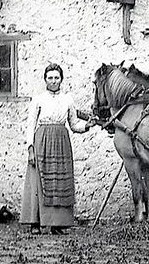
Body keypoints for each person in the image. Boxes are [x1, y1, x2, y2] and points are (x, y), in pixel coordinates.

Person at [21, 63, 95, 235]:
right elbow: (30, 124)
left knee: (59, 182)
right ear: (45, 80)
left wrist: (87, 126)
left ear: (61, 79)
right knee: (39, 180)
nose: (53, 81)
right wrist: (30, 148)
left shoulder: (67, 100)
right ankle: (35, 222)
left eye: (56, 78)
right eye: (50, 78)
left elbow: (74, 124)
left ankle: (57, 224)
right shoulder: (39, 99)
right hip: (42, 140)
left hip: (62, 141)